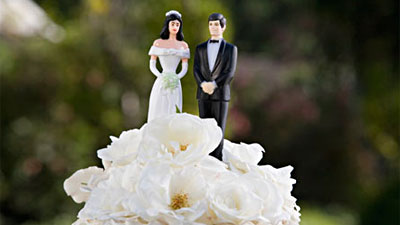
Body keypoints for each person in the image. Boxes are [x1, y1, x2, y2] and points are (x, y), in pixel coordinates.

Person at [193, 13, 238, 160]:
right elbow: (196, 69)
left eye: (216, 24)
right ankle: (204, 159)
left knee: (218, 129)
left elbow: (229, 72)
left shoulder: (231, 49)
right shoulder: (200, 48)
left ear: (223, 27)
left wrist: (214, 84)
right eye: (211, 24)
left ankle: (217, 160)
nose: (213, 27)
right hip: (203, 94)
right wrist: (202, 84)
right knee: (204, 129)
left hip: (220, 94)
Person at [147, 10, 190, 122]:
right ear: (168, 25)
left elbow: (184, 67)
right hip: (162, 80)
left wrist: (176, 77)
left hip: (175, 82)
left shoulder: (183, 46)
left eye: (177, 24)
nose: (175, 27)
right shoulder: (158, 43)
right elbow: (152, 65)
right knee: (159, 106)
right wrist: (161, 76)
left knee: (173, 107)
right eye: (173, 24)